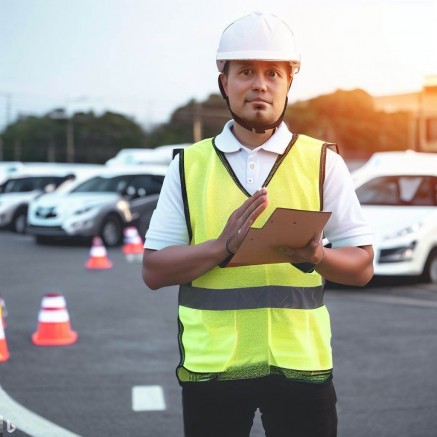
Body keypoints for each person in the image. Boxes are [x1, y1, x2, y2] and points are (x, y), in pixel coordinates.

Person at [142, 11, 374, 437]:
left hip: (301, 367)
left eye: (273, 73)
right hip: (213, 370)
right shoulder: (188, 167)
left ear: (289, 84)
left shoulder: (324, 162)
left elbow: (362, 267)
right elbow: (154, 271)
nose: (260, 84)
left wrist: (318, 256)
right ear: (223, 82)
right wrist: (221, 247)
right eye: (245, 71)